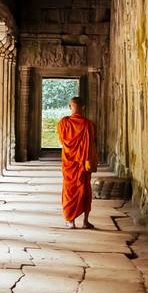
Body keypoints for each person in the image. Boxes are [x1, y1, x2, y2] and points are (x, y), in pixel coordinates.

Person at [56, 96, 98, 229]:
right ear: (83, 107)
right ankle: (85, 222)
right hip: (82, 164)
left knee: (69, 190)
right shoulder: (88, 124)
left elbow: (62, 141)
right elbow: (92, 143)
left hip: (69, 164)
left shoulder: (64, 123)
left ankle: (71, 221)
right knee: (85, 190)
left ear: (70, 107)